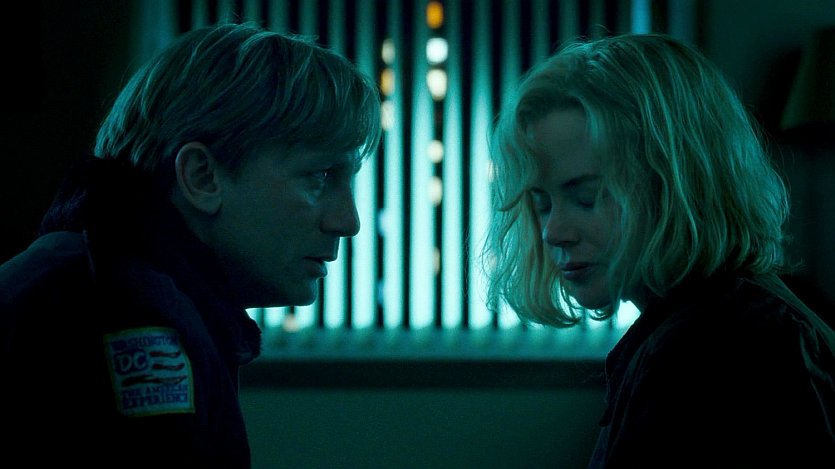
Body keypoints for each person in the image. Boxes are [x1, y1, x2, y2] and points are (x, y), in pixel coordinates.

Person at [0, 22, 381, 468]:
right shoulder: (123, 311)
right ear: (202, 176)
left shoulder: (92, 276)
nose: (348, 222)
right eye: (319, 176)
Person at [484, 33, 835, 468]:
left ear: (677, 183)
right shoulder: (707, 325)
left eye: (587, 197)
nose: (553, 231)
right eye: (541, 203)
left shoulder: (712, 352)